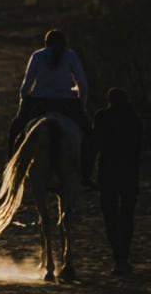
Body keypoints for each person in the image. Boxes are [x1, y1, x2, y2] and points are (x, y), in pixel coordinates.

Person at [8, 28, 97, 189]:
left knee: (15, 132)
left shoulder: (37, 56)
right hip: (66, 102)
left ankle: (13, 169)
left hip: (39, 101)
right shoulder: (70, 56)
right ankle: (86, 175)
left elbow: (25, 87)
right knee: (90, 137)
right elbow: (83, 84)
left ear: (46, 43)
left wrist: (22, 108)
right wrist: (81, 106)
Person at [93, 88, 143, 276]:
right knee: (126, 216)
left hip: (108, 173)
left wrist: (87, 171)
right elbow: (138, 149)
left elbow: (95, 144)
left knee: (111, 217)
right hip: (130, 173)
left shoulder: (102, 116)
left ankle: (118, 259)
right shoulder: (135, 119)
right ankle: (124, 259)